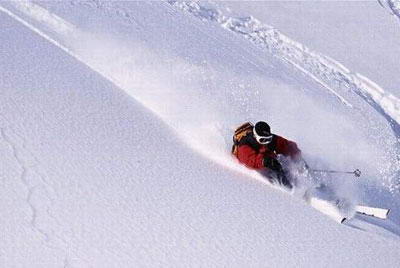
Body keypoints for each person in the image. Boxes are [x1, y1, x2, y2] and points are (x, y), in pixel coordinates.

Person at [233, 121, 303, 189]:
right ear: (255, 136)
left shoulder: (270, 140)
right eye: (262, 140)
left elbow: (288, 146)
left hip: (265, 155)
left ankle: (308, 177)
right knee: (275, 165)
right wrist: (264, 161)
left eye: (268, 139)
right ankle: (289, 189)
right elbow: (251, 161)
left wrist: (297, 156)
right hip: (254, 161)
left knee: (291, 160)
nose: (266, 143)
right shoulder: (244, 146)